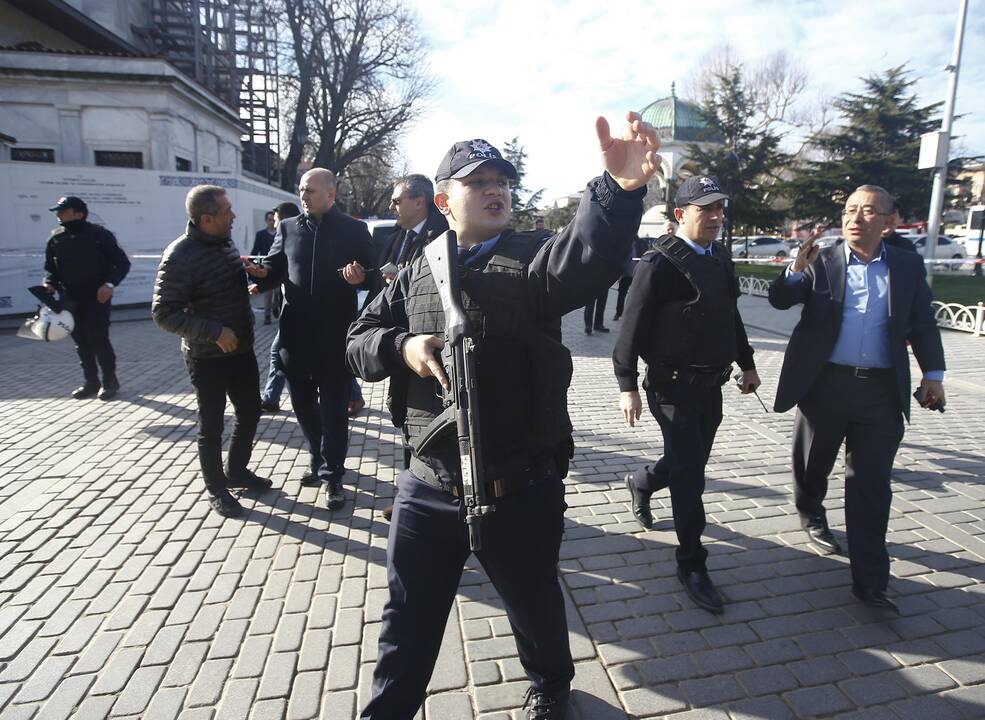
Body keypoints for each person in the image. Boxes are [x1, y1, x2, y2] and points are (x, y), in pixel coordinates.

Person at [347, 113, 659, 720]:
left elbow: (587, 255)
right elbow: (358, 341)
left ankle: (550, 688)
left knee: (535, 602)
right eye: (478, 182)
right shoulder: (414, 268)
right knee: (406, 617)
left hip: (518, 482)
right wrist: (401, 347)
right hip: (430, 485)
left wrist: (618, 194)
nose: (496, 191)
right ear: (444, 200)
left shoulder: (534, 260)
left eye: (503, 181)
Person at [769, 184, 945, 613]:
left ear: (890, 222)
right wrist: (795, 269)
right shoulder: (823, 259)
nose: (854, 218)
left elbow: (922, 322)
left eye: (867, 212)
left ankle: (870, 582)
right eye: (849, 210)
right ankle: (811, 513)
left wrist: (933, 374)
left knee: (870, 486)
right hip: (825, 385)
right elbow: (779, 300)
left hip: (881, 394)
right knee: (812, 465)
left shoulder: (905, 265)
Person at [613, 175, 761, 615]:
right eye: (704, 210)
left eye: (719, 209)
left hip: (710, 387)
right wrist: (626, 386)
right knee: (691, 475)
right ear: (680, 215)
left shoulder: (719, 259)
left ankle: (642, 481)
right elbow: (630, 329)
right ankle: (692, 562)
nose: (715, 218)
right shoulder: (657, 265)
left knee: (685, 462)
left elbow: (729, 317)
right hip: (669, 387)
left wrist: (747, 363)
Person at [245, 168, 374, 510]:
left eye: (311, 191)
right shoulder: (287, 228)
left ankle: (333, 477)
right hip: (295, 335)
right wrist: (261, 273)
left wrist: (359, 279)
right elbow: (275, 268)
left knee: (333, 410)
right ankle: (316, 459)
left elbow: (372, 276)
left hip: (335, 336)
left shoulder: (354, 229)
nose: (304, 196)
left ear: (331, 194)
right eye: (301, 190)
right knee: (303, 407)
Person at [152, 185, 272, 518]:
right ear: (206, 218)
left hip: (242, 350)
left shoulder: (224, 243)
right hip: (207, 357)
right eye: (227, 212)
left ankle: (236, 471)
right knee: (211, 425)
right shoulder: (179, 255)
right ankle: (216, 488)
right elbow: (163, 313)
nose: (233, 216)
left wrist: (251, 275)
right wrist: (215, 332)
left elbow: (222, 286)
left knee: (250, 412)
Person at [43, 196, 130, 400]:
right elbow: (50, 270)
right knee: (81, 342)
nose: (58, 215)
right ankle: (91, 382)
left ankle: (109, 381)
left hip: (96, 298)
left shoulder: (100, 235)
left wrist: (109, 285)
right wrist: (49, 284)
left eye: (63, 211)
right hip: (70, 299)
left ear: (79, 214)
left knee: (99, 339)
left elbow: (122, 264)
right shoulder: (56, 239)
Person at [257, 201, 301, 413]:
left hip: (300, 310)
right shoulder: (287, 234)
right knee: (278, 352)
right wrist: (262, 280)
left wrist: (265, 277)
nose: (273, 224)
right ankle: (271, 398)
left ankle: (271, 397)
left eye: (275, 220)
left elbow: (286, 271)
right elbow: (279, 271)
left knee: (278, 352)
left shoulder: (294, 236)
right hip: (291, 309)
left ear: (283, 219)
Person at [251, 210, 278, 324]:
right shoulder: (261, 234)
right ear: (266, 221)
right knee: (267, 292)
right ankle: (267, 316)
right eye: (269, 220)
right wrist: (251, 262)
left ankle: (275, 307)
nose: (271, 222)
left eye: (273, 220)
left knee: (278, 292)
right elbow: (255, 250)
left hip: (278, 267)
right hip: (265, 267)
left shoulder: (280, 233)